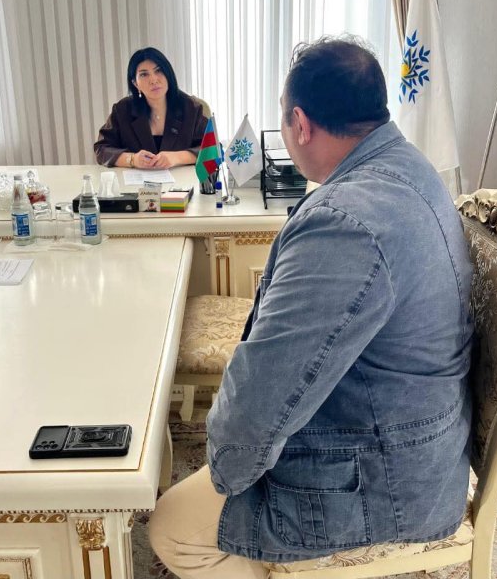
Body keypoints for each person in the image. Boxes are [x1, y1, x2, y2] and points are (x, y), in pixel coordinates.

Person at [149, 35, 474, 578]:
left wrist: (226, 467)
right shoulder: (410, 165)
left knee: (173, 526)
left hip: (392, 478)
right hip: (419, 435)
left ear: (299, 124)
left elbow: (258, 402)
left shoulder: (345, 223)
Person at [94, 47, 208, 169]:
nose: (153, 80)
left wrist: (177, 157)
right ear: (135, 83)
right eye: (144, 74)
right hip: (137, 180)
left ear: (168, 74)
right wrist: (132, 159)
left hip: (182, 180)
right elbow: (101, 149)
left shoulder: (190, 107)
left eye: (158, 70)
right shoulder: (123, 110)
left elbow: (212, 149)